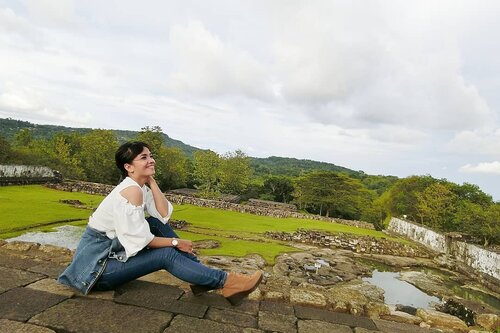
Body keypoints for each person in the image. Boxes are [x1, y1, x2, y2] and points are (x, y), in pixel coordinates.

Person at [58, 141, 262, 305]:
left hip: (109, 255)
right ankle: (225, 281)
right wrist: (176, 243)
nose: (151, 160)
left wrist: (151, 181)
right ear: (128, 167)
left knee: (156, 224)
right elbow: (139, 240)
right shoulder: (131, 191)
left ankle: (200, 279)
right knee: (166, 253)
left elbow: (163, 214)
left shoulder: (139, 187)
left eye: (151, 155)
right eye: (144, 157)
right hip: (96, 270)